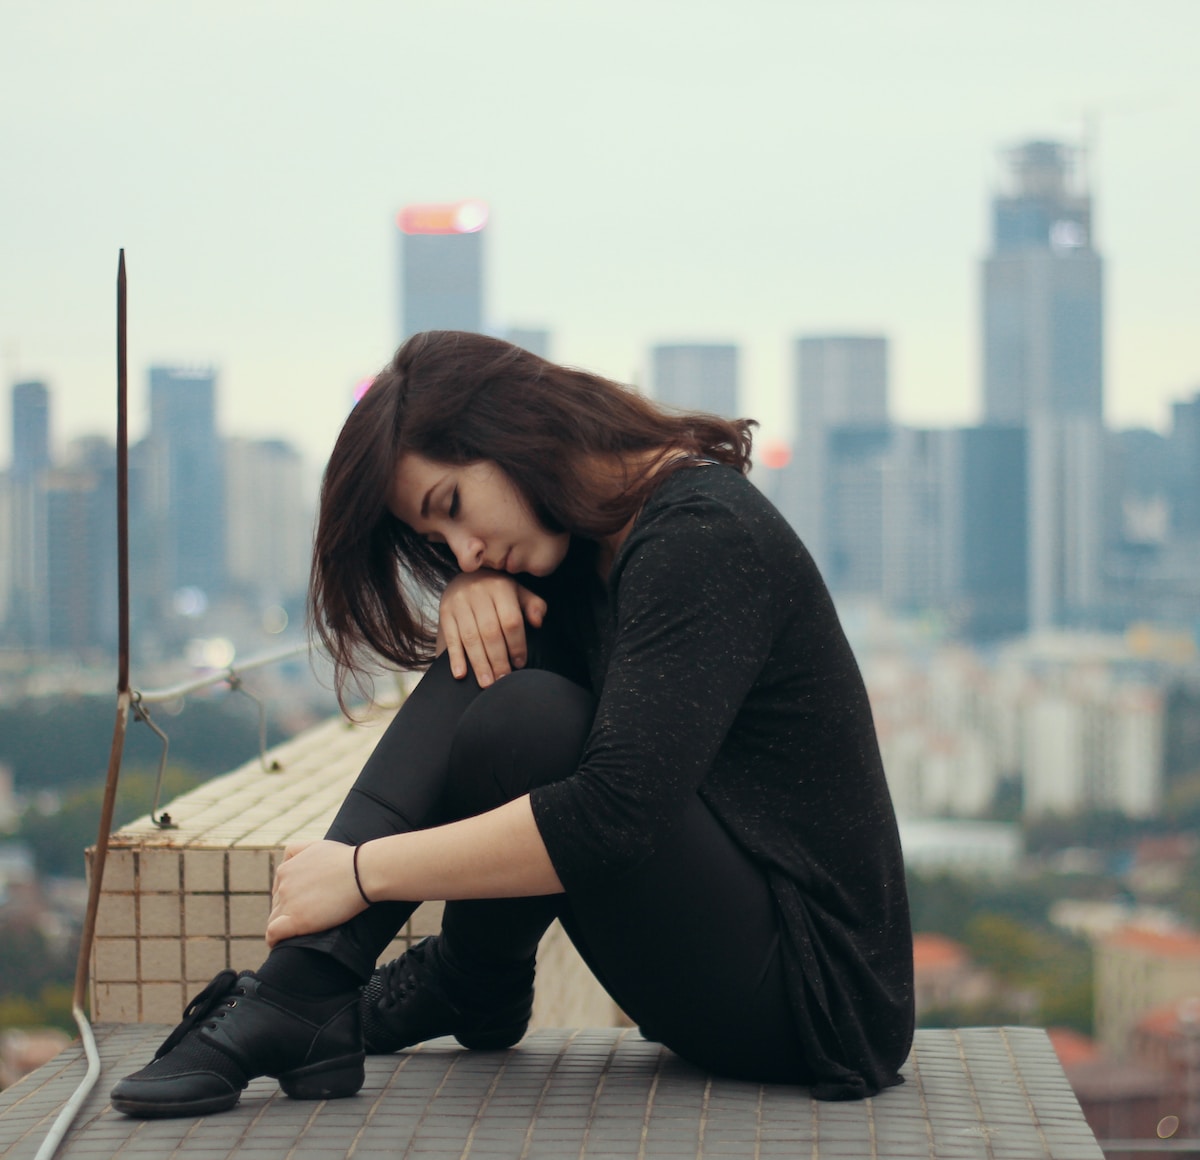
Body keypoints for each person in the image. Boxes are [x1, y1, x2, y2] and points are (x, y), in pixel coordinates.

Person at [111, 331, 913, 1119]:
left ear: (513, 433)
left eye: (452, 507)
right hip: (731, 973)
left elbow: (614, 816)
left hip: (816, 1003)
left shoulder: (700, 531)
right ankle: (342, 990)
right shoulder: (589, 549)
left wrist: (360, 872)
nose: (464, 551)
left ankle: (338, 990)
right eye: (437, 540)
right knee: (495, 665)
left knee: (525, 715)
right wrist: (475, 597)